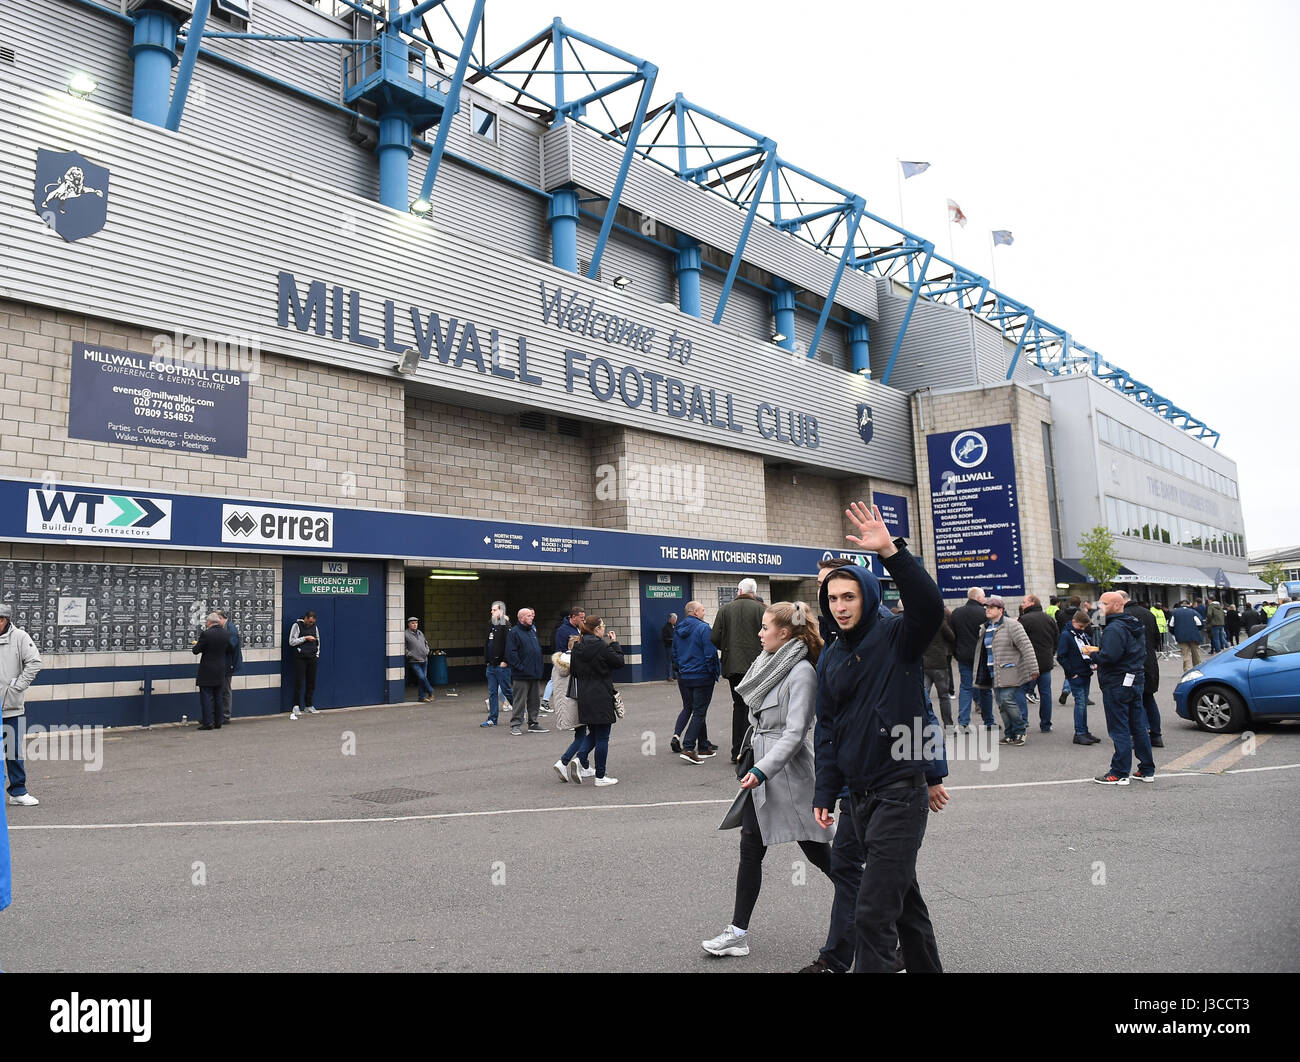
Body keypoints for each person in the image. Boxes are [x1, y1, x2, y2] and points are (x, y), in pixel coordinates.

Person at [814, 502, 949, 974]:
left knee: (872, 914)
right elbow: (827, 727)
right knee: (902, 903)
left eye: (849, 597)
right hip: (856, 798)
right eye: (833, 600)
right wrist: (825, 790)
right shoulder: (829, 656)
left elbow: (930, 608)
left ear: (867, 597)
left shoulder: (896, 637)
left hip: (898, 794)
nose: (840, 607)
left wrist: (892, 551)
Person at [701, 601, 834, 959]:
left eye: (764, 627)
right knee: (750, 849)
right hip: (761, 769)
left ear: (785, 633)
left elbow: (796, 733)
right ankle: (737, 932)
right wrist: (753, 763)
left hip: (788, 776)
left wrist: (762, 770)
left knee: (821, 855)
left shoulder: (801, 671)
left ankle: (881, 913)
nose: (759, 634)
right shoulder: (769, 663)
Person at [1093, 591, 1155, 785]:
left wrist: (1094, 655)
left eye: (1104, 603)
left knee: (1119, 727)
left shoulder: (1115, 628)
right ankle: (1146, 769)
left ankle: (1119, 771)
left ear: (1118, 605)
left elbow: (1110, 656)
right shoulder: (1133, 624)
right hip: (1134, 678)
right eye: (1100, 603)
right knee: (1137, 726)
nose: (1100, 607)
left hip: (1117, 680)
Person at [711, 579, 766, 764]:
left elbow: (715, 637)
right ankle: (753, 750)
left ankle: (737, 752)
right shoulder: (762, 610)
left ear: (739, 590)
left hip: (732, 665)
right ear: (754, 591)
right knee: (756, 706)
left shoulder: (725, 610)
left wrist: (728, 648)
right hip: (757, 665)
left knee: (739, 706)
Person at [972, 596, 1038, 745]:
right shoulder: (985, 627)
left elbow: (1026, 646)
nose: (987, 610)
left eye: (991, 608)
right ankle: (1009, 733)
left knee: (1008, 700)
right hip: (993, 672)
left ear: (1000, 610)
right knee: (1001, 704)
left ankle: (1020, 730)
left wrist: (1033, 668)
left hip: (1011, 671)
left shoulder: (1012, 625)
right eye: (986, 608)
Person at [569, 616, 624, 786]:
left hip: (585, 694)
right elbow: (619, 662)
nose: (604, 630)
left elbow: (574, 671)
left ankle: (580, 759)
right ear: (597, 629)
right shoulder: (601, 645)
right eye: (603, 626)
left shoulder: (577, 646)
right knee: (603, 737)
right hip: (601, 694)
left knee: (593, 732)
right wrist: (615, 644)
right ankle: (600, 776)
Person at [1, 604, 43, 807]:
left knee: (12, 750)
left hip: (10, 706)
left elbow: (35, 661)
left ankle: (18, 791)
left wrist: (18, 687)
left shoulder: (20, 637)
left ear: (5, 620)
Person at [674, 601, 720, 763]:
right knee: (699, 712)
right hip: (702, 675)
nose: (704, 611)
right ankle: (688, 747)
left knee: (698, 711)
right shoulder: (704, 628)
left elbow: (675, 653)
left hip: (686, 676)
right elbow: (710, 653)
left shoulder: (678, 629)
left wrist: (682, 670)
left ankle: (703, 747)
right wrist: (714, 672)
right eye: (702, 609)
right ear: (694, 612)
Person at [1121, 592, 1163, 748]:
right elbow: (1157, 639)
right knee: (1149, 698)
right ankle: (1156, 735)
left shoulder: (1124, 616)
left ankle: (1141, 734)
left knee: (1135, 701)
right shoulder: (1148, 613)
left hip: (1132, 664)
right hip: (1150, 661)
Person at [949, 587, 994, 732]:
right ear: (979, 598)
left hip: (963, 656)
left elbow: (952, 635)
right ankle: (988, 722)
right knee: (985, 689)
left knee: (966, 688)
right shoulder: (985, 613)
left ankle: (963, 723)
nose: (985, 599)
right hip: (982, 656)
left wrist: (956, 652)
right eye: (984, 596)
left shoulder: (957, 613)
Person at [1057, 609, 1101, 745]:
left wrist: (1092, 663)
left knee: (1083, 704)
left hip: (1085, 672)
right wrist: (1071, 673)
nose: (1083, 629)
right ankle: (1080, 732)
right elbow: (1061, 656)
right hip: (1076, 674)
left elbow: (1084, 651)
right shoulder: (1066, 635)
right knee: (1080, 703)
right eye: (1080, 626)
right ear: (1073, 622)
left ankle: (1084, 730)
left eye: (1084, 627)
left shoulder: (1080, 634)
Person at [551, 648, 594, 783]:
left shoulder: (558, 664)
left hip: (564, 705)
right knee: (589, 735)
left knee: (581, 734)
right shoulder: (577, 664)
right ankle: (565, 761)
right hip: (576, 704)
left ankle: (585, 765)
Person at [1018, 595, 1059, 732]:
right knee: (1045, 693)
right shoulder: (1049, 619)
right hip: (1046, 662)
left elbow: (1017, 641)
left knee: (1021, 691)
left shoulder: (1024, 620)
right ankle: (1046, 724)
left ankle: (1023, 721)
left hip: (1028, 663)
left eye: (1024, 602)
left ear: (1032, 603)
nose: (1022, 604)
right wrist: (1051, 653)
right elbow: (1056, 638)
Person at [506, 607, 548, 736]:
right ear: (522, 618)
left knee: (534, 700)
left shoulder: (532, 631)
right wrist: (520, 667)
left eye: (531, 616)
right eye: (529, 616)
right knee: (519, 700)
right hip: (522, 674)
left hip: (534, 673)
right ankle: (515, 724)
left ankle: (533, 723)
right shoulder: (514, 632)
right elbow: (511, 653)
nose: (532, 617)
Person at [192, 612, 231, 731]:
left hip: (207, 669)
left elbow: (196, 650)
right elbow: (228, 649)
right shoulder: (226, 633)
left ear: (209, 622)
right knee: (218, 695)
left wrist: (197, 644)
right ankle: (218, 722)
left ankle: (208, 722)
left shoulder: (206, 634)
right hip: (220, 668)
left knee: (206, 696)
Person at [542, 608, 584, 712]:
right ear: (574, 617)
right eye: (581, 618)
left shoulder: (578, 628)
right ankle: (546, 702)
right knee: (562, 688)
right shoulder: (563, 630)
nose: (583, 620)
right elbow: (560, 649)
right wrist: (565, 661)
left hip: (576, 663)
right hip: (566, 663)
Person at [921, 608, 955, 728]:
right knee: (944, 696)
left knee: (923, 697)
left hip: (924, 664)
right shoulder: (939, 622)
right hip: (940, 663)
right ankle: (949, 726)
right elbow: (951, 637)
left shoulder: (919, 624)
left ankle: (924, 726)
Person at [482, 600, 512, 727]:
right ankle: (492, 719)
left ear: (501, 611)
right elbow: (487, 643)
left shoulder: (505, 625)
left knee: (507, 690)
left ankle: (521, 711)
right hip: (491, 665)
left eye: (494, 610)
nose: (492, 612)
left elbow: (509, 645)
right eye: (492, 610)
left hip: (501, 665)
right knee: (492, 692)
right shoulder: (491, 625)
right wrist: (487, 660)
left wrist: (505, 661)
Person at [288, 610, 320, 719]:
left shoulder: (315, 627)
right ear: (305, 618)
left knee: (311, 682)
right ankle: (296, 706)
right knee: (299, 682)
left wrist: (317, 654)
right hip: (300, 658)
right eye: (310, 622)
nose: (311, 624)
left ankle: (309, 705)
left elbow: (318, 641)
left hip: (312, 657)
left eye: (313, 622)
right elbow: (291, 642)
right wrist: (305, 638)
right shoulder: (296, 625)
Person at [217, 609, 242, 725]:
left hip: (228, 663)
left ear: (221, 618)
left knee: (226, 689)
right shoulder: (225, 628)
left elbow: (231, 645)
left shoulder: (231, 629)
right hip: (224, 662)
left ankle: (226, 716)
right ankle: (219, 714)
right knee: (222, 689)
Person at [404, 617, 434, 703]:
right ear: (409, 624)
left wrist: (427, 651)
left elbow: (425, 642)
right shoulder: (405, 634)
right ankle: (430, 691)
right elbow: (404, 647)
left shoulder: (420, 633)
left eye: (416, 623)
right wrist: (410, 655)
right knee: (421, 677)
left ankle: (422, 697)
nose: (415, 625)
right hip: (414, 661)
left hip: (424, 659)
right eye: (413, 623)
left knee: (422, 679)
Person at [1171, 600, 1203, 672]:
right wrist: (1196, 630)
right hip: (1194, 636)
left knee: (1186, 655)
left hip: (1181, 636)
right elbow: (1200, 624)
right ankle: (1197, 669)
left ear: (1180, 605)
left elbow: (1171, 625)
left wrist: (1175, 633)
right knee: (1196, 654)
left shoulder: (1175, 613)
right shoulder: (1193, 612)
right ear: (1189, 605)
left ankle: (1187, 670)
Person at [661, 613, 678, 680]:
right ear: (671, 619)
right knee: (670, 662)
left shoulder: (675, 626)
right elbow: (664, 638)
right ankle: (669, 676)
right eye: (674, 620)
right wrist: (672, 640)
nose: (675, 621)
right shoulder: (666, 628)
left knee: (675, 661)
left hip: (675, 647)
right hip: (669, 646)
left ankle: (675, 675)